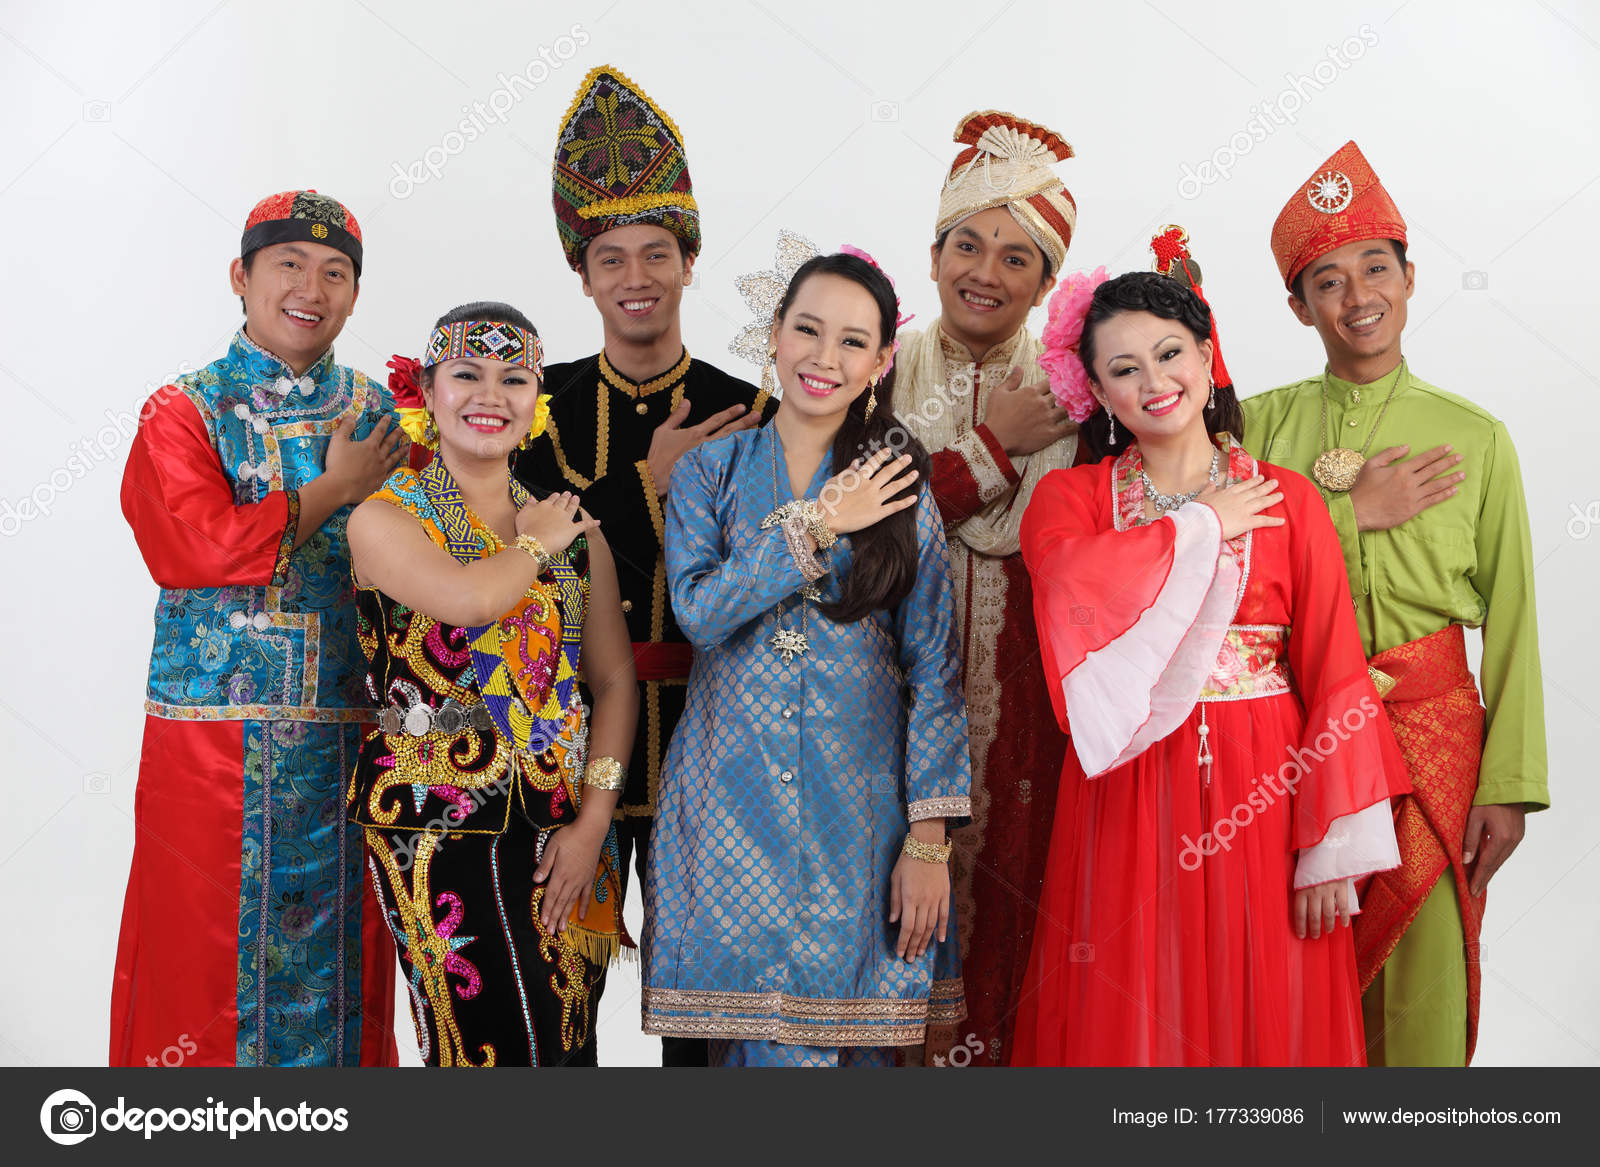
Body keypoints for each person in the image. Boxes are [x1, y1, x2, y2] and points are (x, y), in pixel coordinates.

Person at [1012, 233, 1411, 1066]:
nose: (1153, 382)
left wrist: (1330, 840)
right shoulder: (1071, 498)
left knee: (1267, 1003)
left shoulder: (1290, 499)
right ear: (1096, 390)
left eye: (1169, 354)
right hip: (1126, 780)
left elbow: (1336, 671)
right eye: (1123, 369)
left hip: (1267, 783)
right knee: (1128, 1001)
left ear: (1207, 353)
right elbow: (1066, 589)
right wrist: (1201, 525)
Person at [1242, 141, 1548, 1065]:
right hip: (1292, 740)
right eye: (1327, 280)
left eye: (1377, 266)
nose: (1358, 295)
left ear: (1411, 278)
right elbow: (1217, 573)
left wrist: (1508, 782)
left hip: (1436, 743)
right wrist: (1349, 510)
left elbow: (1516, 620)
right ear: (1299, 307)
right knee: (1296, 974)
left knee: (1424, 985)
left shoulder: (1476, 437)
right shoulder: (1253, 427)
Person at [641, 251, 972, 1066]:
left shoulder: (899, 486)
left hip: (857, 814)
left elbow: (935, 668)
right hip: (726, 812)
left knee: (857, 1053)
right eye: (808, 330)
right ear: (775, 333)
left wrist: (929, 841)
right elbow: (702, 611)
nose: (824, 358)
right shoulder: (709, 472)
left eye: (852, 342)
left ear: (882, 361)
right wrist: (820, 522)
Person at [513, 67, 776, 1065]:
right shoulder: (530, 405)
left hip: (710, 758)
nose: (636, 275)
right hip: (566, 756)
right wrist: (648, 488)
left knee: (704, 1033)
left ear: (690, 262)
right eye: (610, 255)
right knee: (558, 1005)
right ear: (581, 275)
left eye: (657, 252)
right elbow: (529, 575)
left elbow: (762, 588)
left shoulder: (749, 410)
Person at [111, 189, 403, 1066]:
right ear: (241, 277)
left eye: (336, 272)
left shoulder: (381, 409)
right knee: (203, 967)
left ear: (355, 294)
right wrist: (331, 491)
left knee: (345, 973)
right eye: (288, 264)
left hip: (353, 742)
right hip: (214, 753)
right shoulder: (182, 411)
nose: (311, 286)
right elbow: (190, 543)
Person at [345, 303, 635, 1066]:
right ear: (428, 392)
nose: (489, 394)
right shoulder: (385, 519)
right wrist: (537, 541)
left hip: (564, 826)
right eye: (466, 374)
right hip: (436, 823)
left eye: (514, 378)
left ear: (534, 400)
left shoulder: (575, 533)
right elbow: (472, 599)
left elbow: (612, 680)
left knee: (568, 1044)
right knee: (484, 1052)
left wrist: (595, 823)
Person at [892, 110, 1081, 1065]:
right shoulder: (871, 369)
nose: (986, 271)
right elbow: (863, 534)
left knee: (1013, 952)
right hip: (879, 725)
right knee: (877, 958)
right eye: (968, 243)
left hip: (1026, 734)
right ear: (932, 256)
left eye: (1018, 257)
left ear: (1047, 284)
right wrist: (995, 447)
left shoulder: (1079, 392)